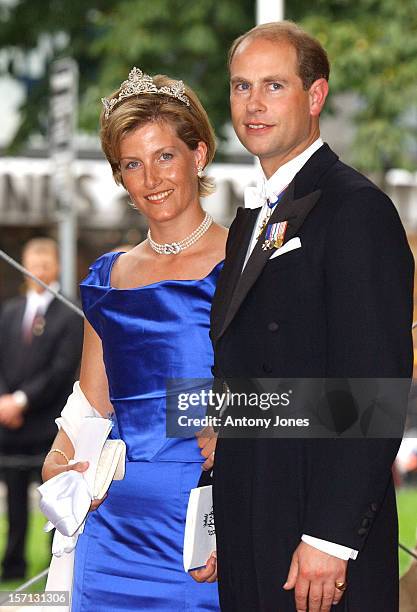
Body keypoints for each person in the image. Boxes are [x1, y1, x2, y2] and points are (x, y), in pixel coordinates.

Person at [208, 21, 414, 611]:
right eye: (241, 86)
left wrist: (329, 538)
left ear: (316, 96)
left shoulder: (357, 210)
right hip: (251, 515)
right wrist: (223, 512)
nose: (253, 104)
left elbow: (374, 387)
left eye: (273, 86)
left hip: (318, 538)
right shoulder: (249, 222)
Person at [41, 67, 225, 611]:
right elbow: (92, 403)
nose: (151, 178)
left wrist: (230, 417)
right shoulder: (106, 275)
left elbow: (320, 399)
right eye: (132, 164)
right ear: (119, 177)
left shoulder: (247, 260)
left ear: (199, 154)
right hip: (110, 525)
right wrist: (59, 456)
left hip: (205, 520)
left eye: (165, 155)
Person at [0, 238, 83, 580]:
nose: (38, 268)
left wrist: (21, 400)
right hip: (10, 425)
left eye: (44, 261)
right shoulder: (10, 311)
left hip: (49, 425)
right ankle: (13, 564)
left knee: (52, 501)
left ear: (55, 264)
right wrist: (5, 401)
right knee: (15, 503)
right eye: (32, 261)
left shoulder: (69, 311)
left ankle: (54, 569)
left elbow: (61, 368)